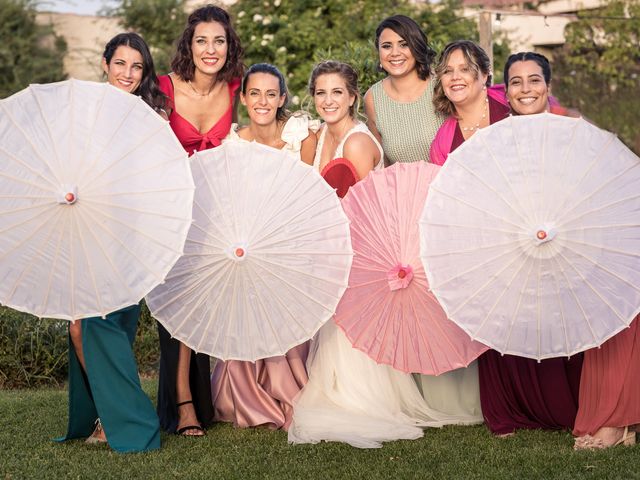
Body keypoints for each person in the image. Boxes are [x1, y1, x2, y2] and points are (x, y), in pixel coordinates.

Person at [288, 61, 465, 449]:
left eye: (337, 92)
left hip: (359, 251)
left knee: (354, 331)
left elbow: (369, 211)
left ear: (353, 96)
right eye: (321, 92)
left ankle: (360, 398)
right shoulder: (317, 140)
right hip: (329, 247)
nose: (328, 100)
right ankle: (335, 389)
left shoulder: (357, 141)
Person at [431, 44, 584, 436]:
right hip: (485, 239)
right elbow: (445, 196)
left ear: (486, 76)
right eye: (448, 71)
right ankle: (508, 408)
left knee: (546, 315)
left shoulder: (513, 109)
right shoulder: (444, 137)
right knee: (500, 323)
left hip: (537, 225)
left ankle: (563, 405)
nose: (456, 77)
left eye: (465, 68)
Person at [501, 52, 640, 450]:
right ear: (506, 91)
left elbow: (604, 174)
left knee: (619, 320)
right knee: (597, 330)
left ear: (548, 85)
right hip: (546, 243)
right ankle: (613, 416)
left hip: (595, 230)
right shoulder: (503, 141)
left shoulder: (573, 128)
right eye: (516, 82)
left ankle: (614, 420)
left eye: (534, 80)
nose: (525, 89)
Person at [58, 32, 165, 453]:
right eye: (120, 64)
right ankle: (114, 412)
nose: (128, 73)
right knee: (80, 327)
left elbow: (157, 181)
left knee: (105, 325)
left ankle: (120, 420)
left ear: (144, 72)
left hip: (127, 233)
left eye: (137, 66)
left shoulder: (150, 119)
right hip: (83, 227)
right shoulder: (82, 113)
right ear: (105, 64)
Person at [211, 63, 317, 430]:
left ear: (282, 98)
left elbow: (311, 193)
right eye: (254, 93)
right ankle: (250, 395)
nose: (262, 101)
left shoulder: (300, 135)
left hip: (293, 241)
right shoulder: (234, 143)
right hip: (250, 242)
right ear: (243, 98)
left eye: (271, 94)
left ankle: (289, 387)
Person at [156, 4, 244, 436]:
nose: (211, 49)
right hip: (170, 209)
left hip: (214, 209)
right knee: (175, 303)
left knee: (201, 301)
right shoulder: (163, 88)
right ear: (188, 46)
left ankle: (195, 399)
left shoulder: (237, 87)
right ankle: (184, 404)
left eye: (219, 40)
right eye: (202, 40)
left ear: (230, 46)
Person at [364, 15, 445, 165]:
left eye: (403, 44)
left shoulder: (441, 84)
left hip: (449, 184)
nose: (395, 53)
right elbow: (383, 163)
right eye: (387, 46)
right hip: (403, 187)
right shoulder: (372, 98)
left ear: (416, 47)